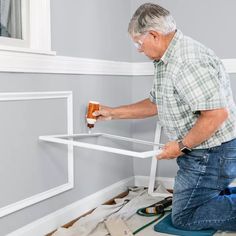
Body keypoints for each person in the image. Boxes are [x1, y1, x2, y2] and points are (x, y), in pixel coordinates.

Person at [92, 3, 236, 231]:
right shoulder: (165, 60)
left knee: (185, 216)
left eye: (139, 42)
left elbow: (216, 115)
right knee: (196, 198)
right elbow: (155, 103)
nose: (139, 49)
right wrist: (112, 112)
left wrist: (180, 147)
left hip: (212, 153)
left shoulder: (186, 61)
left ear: (154, 35)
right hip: (202, 150)